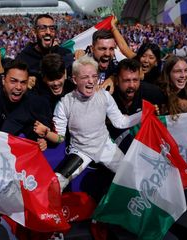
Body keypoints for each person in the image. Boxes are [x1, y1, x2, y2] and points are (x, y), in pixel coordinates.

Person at [33, 56, 140, 191]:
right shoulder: (65, 103)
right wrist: (47, 133)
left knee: (131, 176)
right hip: (80, 151)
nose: (90, 81)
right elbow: (60, 137)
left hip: (105, 147)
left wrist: (144, 115)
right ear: (74, 79)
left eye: (94, 76)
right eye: (85, 77)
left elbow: (120, 122)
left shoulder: (104, 96)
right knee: (56, 184)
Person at [16, 14, 73, 88]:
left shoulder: (65, 54)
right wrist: (24, 82)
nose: (48, 32)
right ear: (34, 32)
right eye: (43, 28)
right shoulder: (23, 59)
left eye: (52, 28)